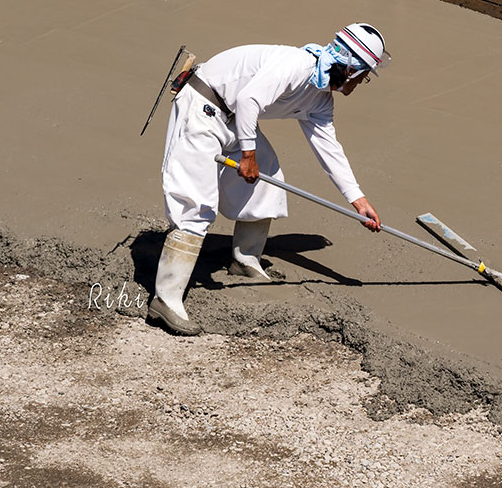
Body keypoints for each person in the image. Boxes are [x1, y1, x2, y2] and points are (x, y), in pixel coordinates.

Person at [149, 23, 391, 335]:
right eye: (364, 75)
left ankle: (245, 260)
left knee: (267, 177)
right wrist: (247, 156)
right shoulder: (297, 66)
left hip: (233, 117)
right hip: (202, 105)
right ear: (350, 68)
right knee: (196, 204)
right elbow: (249, 99)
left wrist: (358, 200)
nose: (361, 82)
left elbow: (329, 149)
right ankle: (165, 301)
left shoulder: (321, 100)